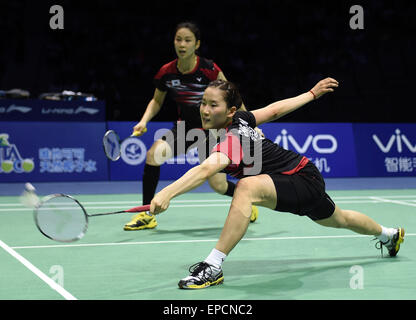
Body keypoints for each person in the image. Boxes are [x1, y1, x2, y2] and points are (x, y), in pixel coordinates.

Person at [149, 78, 405, 289]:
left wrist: (167, 193)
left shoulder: (234, 135)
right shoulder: (243, 120)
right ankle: (389, 234)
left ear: (230, 111)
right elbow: (273, 110)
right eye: (203, 103)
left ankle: (213, 266)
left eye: (213, 105)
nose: (204, 110)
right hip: (299, 180)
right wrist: (311, 94)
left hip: (300, 178)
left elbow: (206, 169)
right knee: (341, 219)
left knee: (246, 189)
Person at [124, 22, 259, 230]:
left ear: (197, 44)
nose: (182, 44)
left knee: (219, 185)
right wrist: (144, 121)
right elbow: (157, 100)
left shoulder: (209, 70)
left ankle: (248, 200)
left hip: (214, 130)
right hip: (187, 129)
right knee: (153, 155)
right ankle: (147, 214)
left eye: (187, 40)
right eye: (178, 39)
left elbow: (232, 96)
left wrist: (249, 122)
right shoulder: (167, 72)